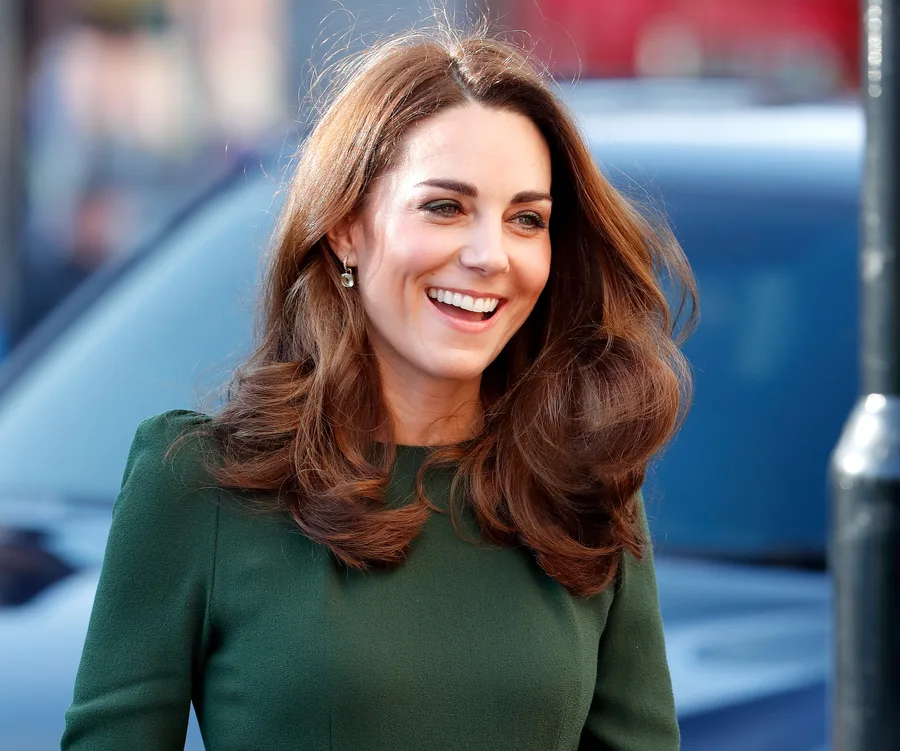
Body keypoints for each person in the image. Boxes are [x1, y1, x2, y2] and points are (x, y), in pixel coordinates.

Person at [61, 22, 697, 751]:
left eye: (527, 219)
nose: (491, 256)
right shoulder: (199, 484)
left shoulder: (582, 489)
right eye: (445, 207)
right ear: (345, 227)